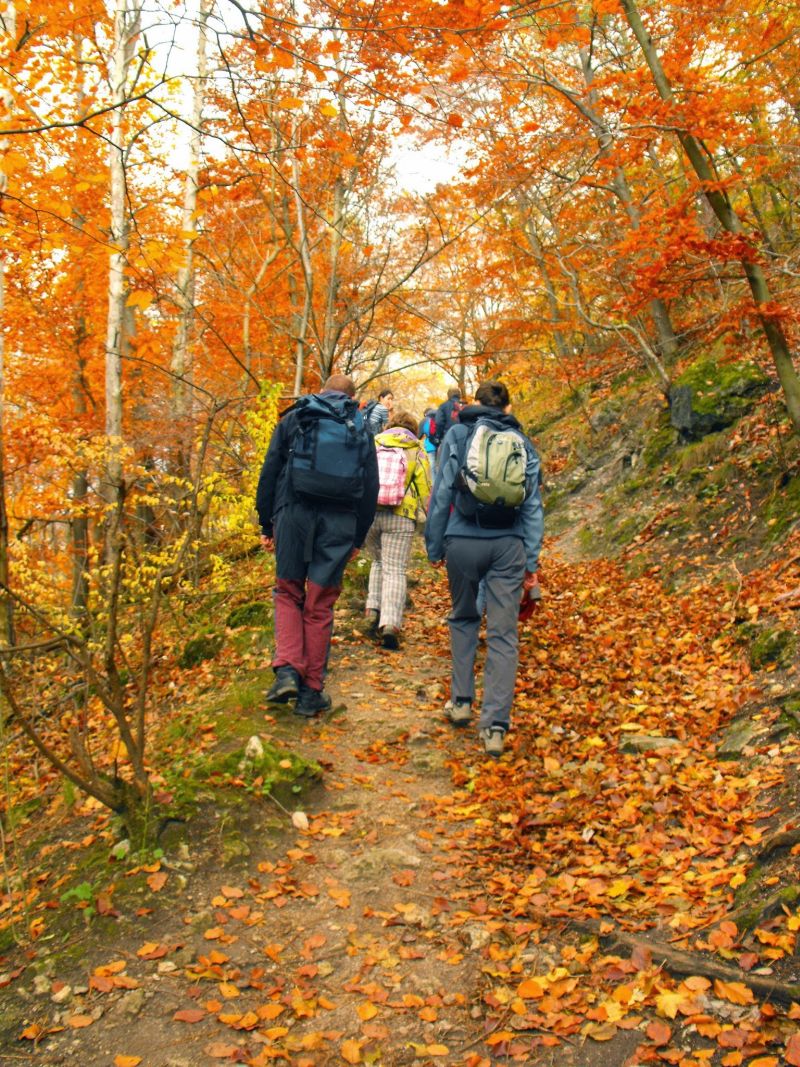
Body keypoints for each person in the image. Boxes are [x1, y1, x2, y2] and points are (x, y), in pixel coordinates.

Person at [425, 380, 543, 757]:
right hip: (508, 546)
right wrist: (531, 561)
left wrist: (434, 545)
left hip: (462, 541)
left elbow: (442, 492)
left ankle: (461, 702)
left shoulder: (458, 434)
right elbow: (532, 505)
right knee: (503, 634)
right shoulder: (522, 442)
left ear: (474, 403)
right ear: (508, 407)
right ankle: (494, 726)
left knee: (463, 618)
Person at [256, 374, 379, 717]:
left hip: (292, 513)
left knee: (288, 591)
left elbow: (269, 472)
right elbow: (371, 488)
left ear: (323, 390)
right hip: (339, 522)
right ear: (352, 397)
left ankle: (287, 671)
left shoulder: (296, 416)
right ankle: (311, 693)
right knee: (320, 603)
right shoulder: (360, 428)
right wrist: (358, 537)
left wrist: (266, 523)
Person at [364, 411, 432, 649]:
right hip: (401, 515)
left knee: (377, 561)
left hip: (371, 513)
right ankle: (390, 624)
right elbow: (425, 490)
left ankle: (372, 609)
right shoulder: (417, 449)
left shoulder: (374, 443)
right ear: (413, 430)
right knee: (394, 569)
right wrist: (432, 520)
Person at [418, 407, 438, 473]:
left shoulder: (425, 420)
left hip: (430, 446)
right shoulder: (439, 418)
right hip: (441, 446)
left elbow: (418, 435)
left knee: (431, 469)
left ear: (425, 414)